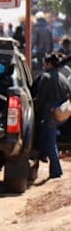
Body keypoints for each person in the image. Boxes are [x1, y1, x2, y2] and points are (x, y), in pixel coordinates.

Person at [33, 52, 70, 180]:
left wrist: (35, 108)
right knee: (48, 137)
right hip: (63, 114)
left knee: (50, 142)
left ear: (49, 64)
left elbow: (41, 98)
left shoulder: (46, 77)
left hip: (50, 114)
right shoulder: (63, 78)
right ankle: (44, 156)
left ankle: (56, 171)